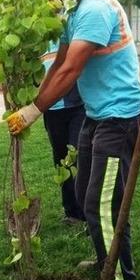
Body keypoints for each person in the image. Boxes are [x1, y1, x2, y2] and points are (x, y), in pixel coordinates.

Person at [7, 0, 140, 280]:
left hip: (119, 117)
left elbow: (72, 70)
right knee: (86, 195)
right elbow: (57, 64)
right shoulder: (77, 11)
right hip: (98, 115)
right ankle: (105, 261)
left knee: (103, 204)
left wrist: (34, 110)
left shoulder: (96, 8)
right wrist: (33, 100)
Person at [41, 39, 86, 225]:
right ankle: (71, 211)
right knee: (60, 160)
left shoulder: (70, 34)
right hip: (51, 110)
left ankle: (84, 210)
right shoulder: (39, 42)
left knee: (76, 156)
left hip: (76, 106)